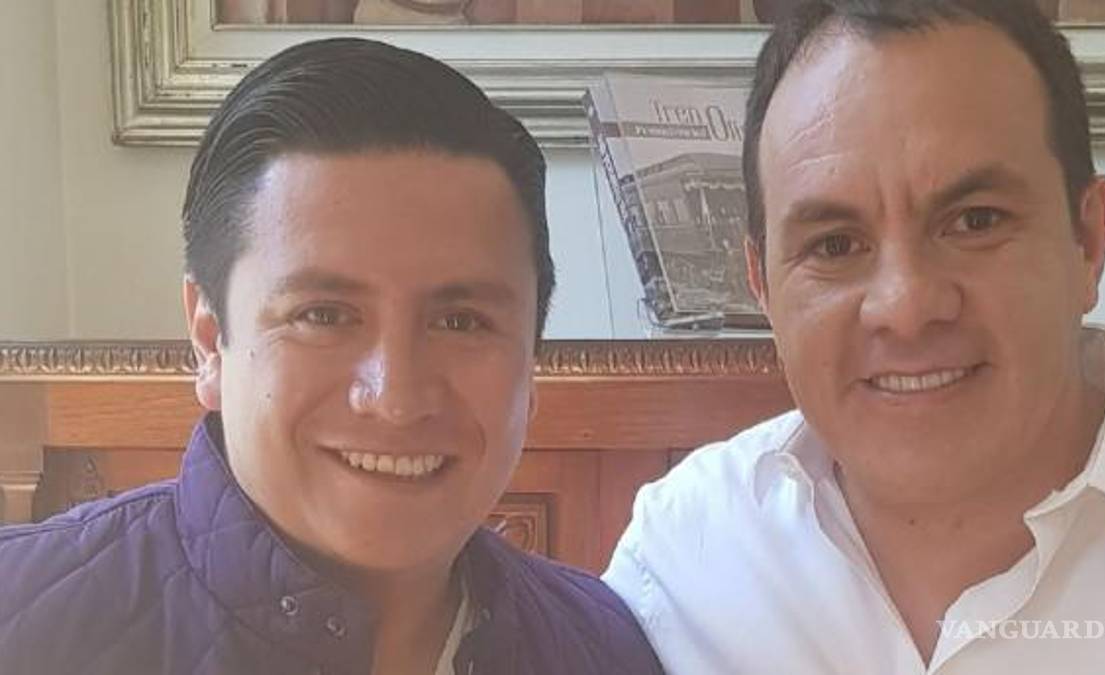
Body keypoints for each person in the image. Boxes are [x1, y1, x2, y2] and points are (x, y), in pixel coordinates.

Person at [0, 38, 662, 675]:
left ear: (530, 362)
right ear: (208, 338)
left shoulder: (605, 646)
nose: (395, 397)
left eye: (461, 322)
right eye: (322, 316)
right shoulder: (21, 618)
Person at [604, 1, 1105, 673]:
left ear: (1088, 240)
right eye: (835, 245)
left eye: (975, 221)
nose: (906, 307)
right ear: (761, 285)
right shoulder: (680, 557)